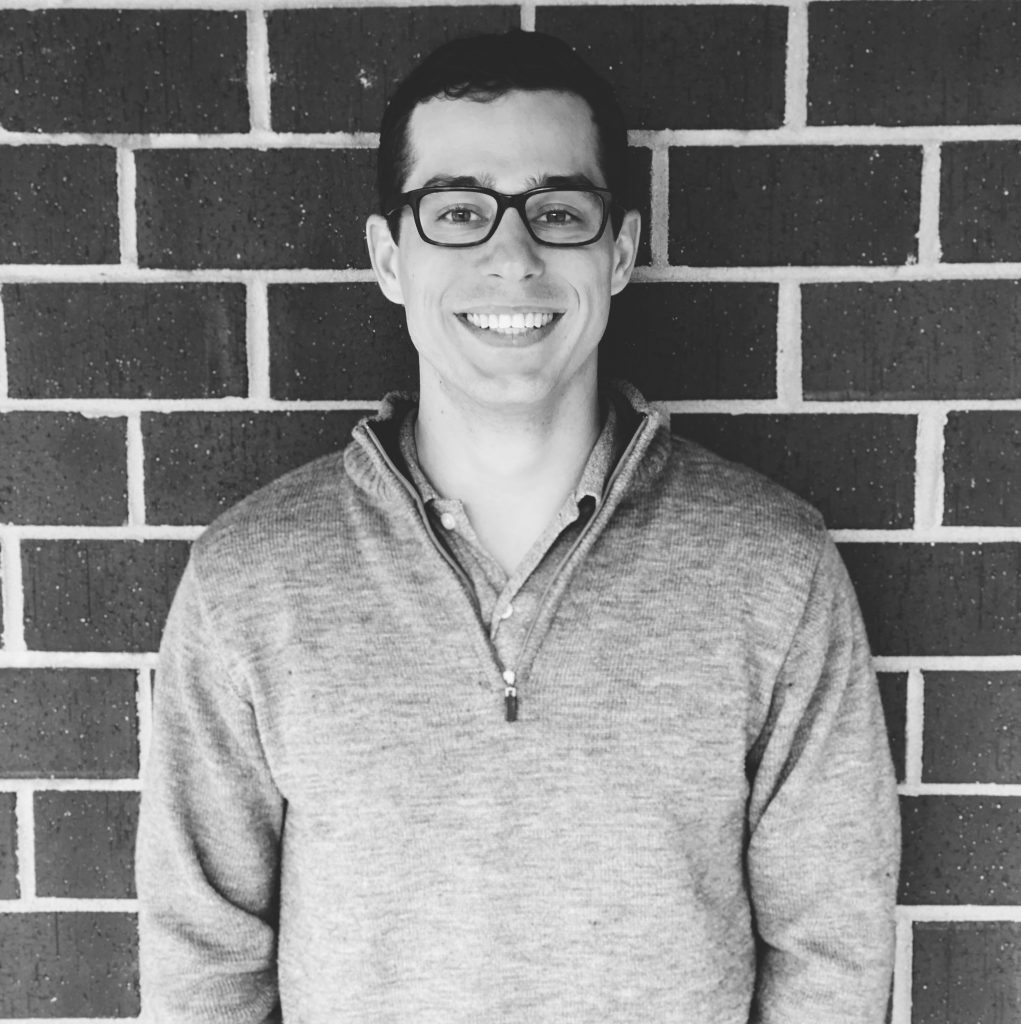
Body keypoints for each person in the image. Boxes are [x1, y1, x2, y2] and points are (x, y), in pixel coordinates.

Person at [136, 29, 900, 1024]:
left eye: (557, 211)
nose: (511, 255)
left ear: (617, 251)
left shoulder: (772, 568)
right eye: (458, 211)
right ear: (389, 258)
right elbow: (202, 958)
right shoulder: (251, 580)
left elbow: (831, 947)